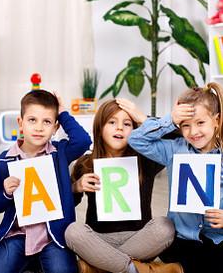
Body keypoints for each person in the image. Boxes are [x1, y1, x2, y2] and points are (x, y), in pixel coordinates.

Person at [0, 89, 92, 273]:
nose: (39, 127)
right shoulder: (3, 161)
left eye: (47, 122)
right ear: (21, 123)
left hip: (53, 236)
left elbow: (82, 141)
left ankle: (35, 262)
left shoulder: (59, 153)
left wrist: (62, 112)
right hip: (18, 235)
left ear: (55, 128)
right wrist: (6, 193)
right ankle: (27, 261)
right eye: (32, 120)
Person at [65, 99, 181, 273]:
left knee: (165, 226)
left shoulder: (147, 159)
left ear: (135, 130)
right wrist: (75, 187)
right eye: (112, 122)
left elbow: (178, 139)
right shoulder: (85, 163)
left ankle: (100, 267)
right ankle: (134, 269)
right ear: (100, 127)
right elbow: (69, 204)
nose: (119, 128)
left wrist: (142, 118)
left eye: (127, 124)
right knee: (73, 231)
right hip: (100, 240)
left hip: (139, 238)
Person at [128, 83, 223, 273]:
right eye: (185, 125)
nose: (193, 132)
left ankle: (163, 270)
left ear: (216, 120)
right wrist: (170, 120)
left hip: (217, 238)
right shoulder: (174, 150)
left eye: (200, 123)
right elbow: (136, 139)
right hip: (182, 239)